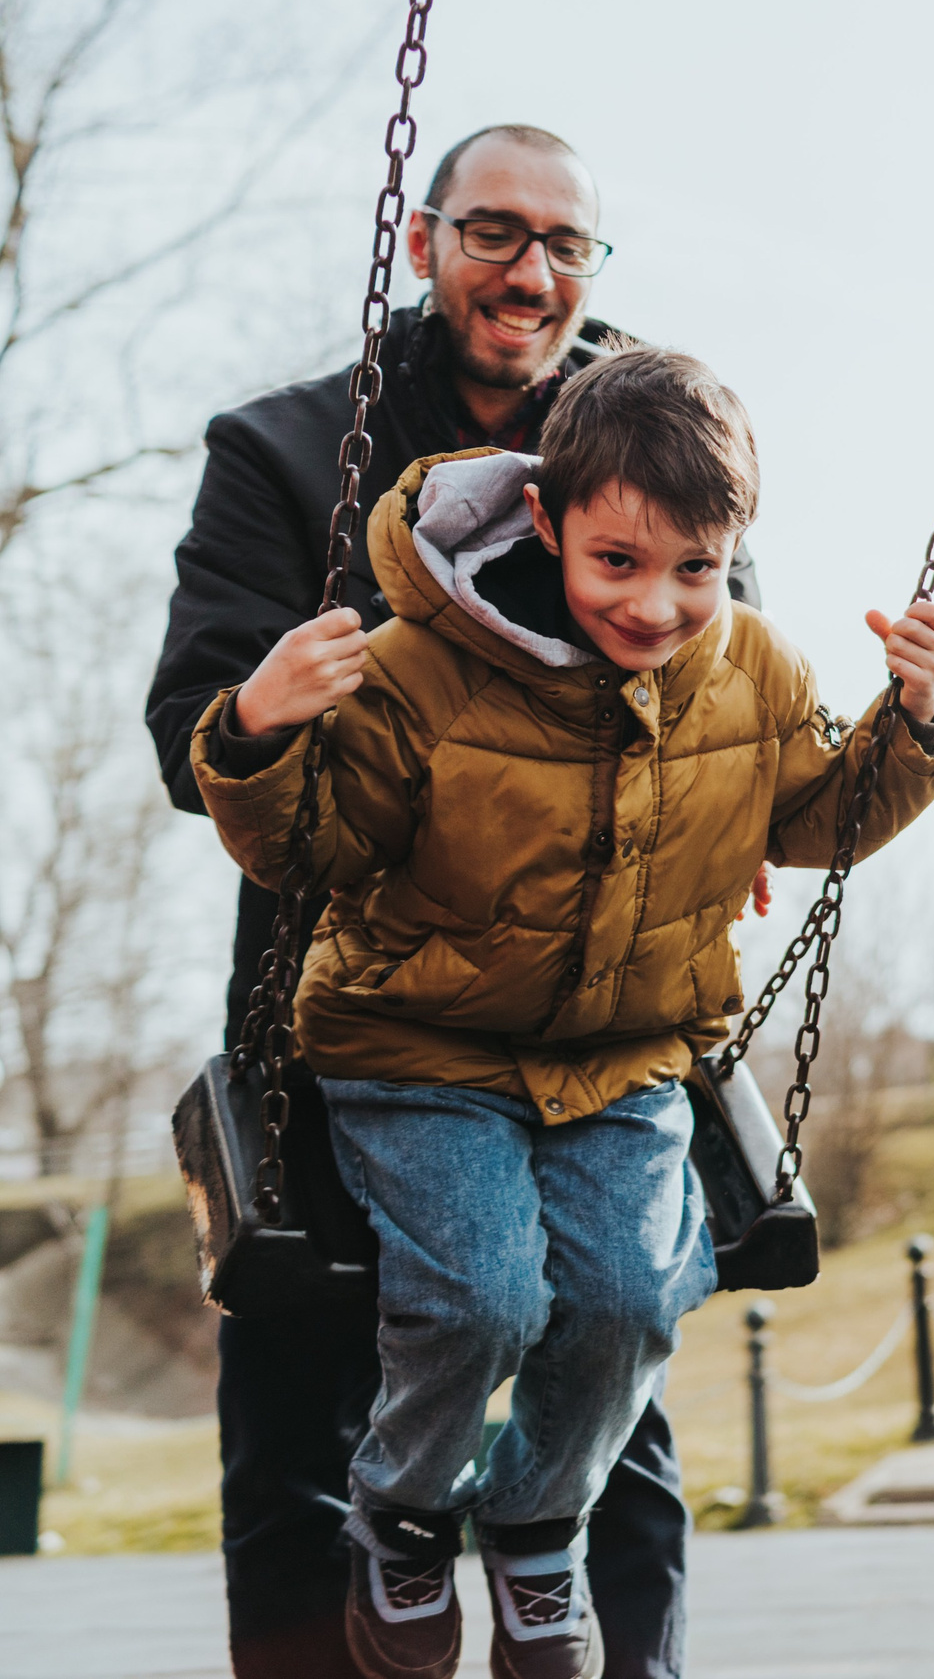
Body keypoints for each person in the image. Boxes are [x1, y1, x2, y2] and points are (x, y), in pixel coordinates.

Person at [187, 345, 934, 1679]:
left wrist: (915, 721)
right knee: (481, 1296)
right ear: (548, 523)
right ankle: (408, 1513)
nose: (659, 607)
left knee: (630, 1301)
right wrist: (256, 730)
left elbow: (816, 820)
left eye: (697, 569)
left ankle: (540, 1520)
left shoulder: (754, 669)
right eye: (619, 563)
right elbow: (309, 843)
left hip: (624, 1062)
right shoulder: (422, 668)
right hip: (421, 1051)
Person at [144, 125, 757, 1679]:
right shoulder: (290, 453)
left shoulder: (660, 428)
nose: (531, 273)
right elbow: (191, 735)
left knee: (610, 1357)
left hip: (592, 1013)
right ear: (423, 240)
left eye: (565, 244)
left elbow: (725, 671)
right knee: (302, 1398)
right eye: (493, 232)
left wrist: (743, 803)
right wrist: (269, 708)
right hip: (354, 1009)